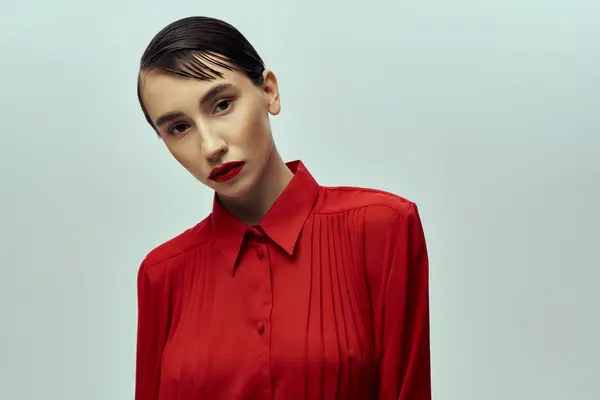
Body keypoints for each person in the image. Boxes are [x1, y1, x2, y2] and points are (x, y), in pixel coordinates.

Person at [135, 16, 431, 400]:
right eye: (178, 128)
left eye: (222, 105)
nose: (211, 147)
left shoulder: (382, 227)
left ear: (269, 91)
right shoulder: (162, 274)